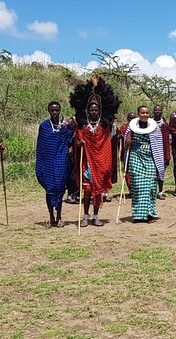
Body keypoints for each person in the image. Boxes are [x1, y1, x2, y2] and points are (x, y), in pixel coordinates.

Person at [70, 77, 121, 228]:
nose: (93, 112)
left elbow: (110, 142)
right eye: (91, 110)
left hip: (101, 163)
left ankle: (96, 216)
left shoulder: (104, 127)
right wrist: (79, 143)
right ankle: (85, 216)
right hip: (87, 163)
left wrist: (118, 137)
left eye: (96, 110)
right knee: (86, 190)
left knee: (98, 191)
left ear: (100, 111)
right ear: (87, 111)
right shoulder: (83, 128)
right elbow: (76, 141)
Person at [36, 101, 74, 227]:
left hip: (61, 160)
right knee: (50, 188)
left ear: (60, 110)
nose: (55, 112)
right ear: (49, 111)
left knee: (59, 187)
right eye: (52, 110)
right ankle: (51, 216)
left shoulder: (65, 127)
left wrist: (71, 147)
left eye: (57, 110)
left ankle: (59, 216)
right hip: (47, 161)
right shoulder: (44, 126)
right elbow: (41, 146)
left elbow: (71, 140)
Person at [124, 106, 166, 223]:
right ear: (138, 114)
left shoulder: (155, 128)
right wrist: (127, 141)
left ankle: (150, 214)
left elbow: (158, 145)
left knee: (151, 186)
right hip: (136, 158)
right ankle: (138, 215)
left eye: (147, 113)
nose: (145, 115)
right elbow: (126, 146)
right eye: (142, 113)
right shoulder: (131, 128)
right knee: (138, 186)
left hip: (150, 158)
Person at [152, 105, 171, 199]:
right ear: (153, 112)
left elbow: (167, 141)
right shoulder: (149, 124)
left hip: (162, 152)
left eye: (159, 110)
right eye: (155, 110)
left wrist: (167, 155)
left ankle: (160, 192)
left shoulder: (165, 125)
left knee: (161, 172)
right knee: (152, 173)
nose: (157, 111)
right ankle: (152, 192)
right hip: (152, 151)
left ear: (162, 112)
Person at [117, 112, 136, 198]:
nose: (132, 119)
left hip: (136, 153)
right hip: (127, 152)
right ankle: (131, 190)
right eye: (130, 118)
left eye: (133, 118)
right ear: (127, 119)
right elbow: (118, 137)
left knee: (135, 172)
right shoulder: (123, 128)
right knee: (127, 171)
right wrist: (120, 137)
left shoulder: (139, 127)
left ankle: (137, 190)